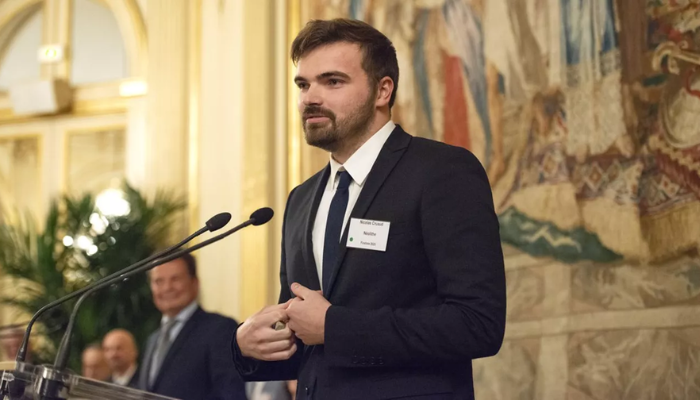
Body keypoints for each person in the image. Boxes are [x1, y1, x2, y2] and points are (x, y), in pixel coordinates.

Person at [233, 18, 506, 399]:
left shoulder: (441, 172)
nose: (310, 97)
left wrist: (335, 326)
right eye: (303, 84)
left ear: (382, 90)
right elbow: (304, 338)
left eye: (332, 81)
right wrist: (248, 345)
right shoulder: (301, 199)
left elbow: (478, 324)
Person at [138, 253, 246, 400]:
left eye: (175, 279)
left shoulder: (220, 330)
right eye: (158, 281)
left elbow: (231, 394)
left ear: (194, 282)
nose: (167, 288)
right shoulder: (152, 340)